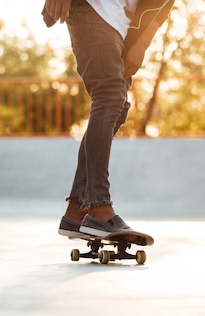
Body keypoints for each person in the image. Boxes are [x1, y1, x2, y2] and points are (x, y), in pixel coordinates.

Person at [43, 0, 175, 238]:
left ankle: (77, 210)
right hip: (91, 9)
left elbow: (164, 5)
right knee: (109, 96)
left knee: (118, 107)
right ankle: (99, 208)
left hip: (121, 25)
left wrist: (142, 44)